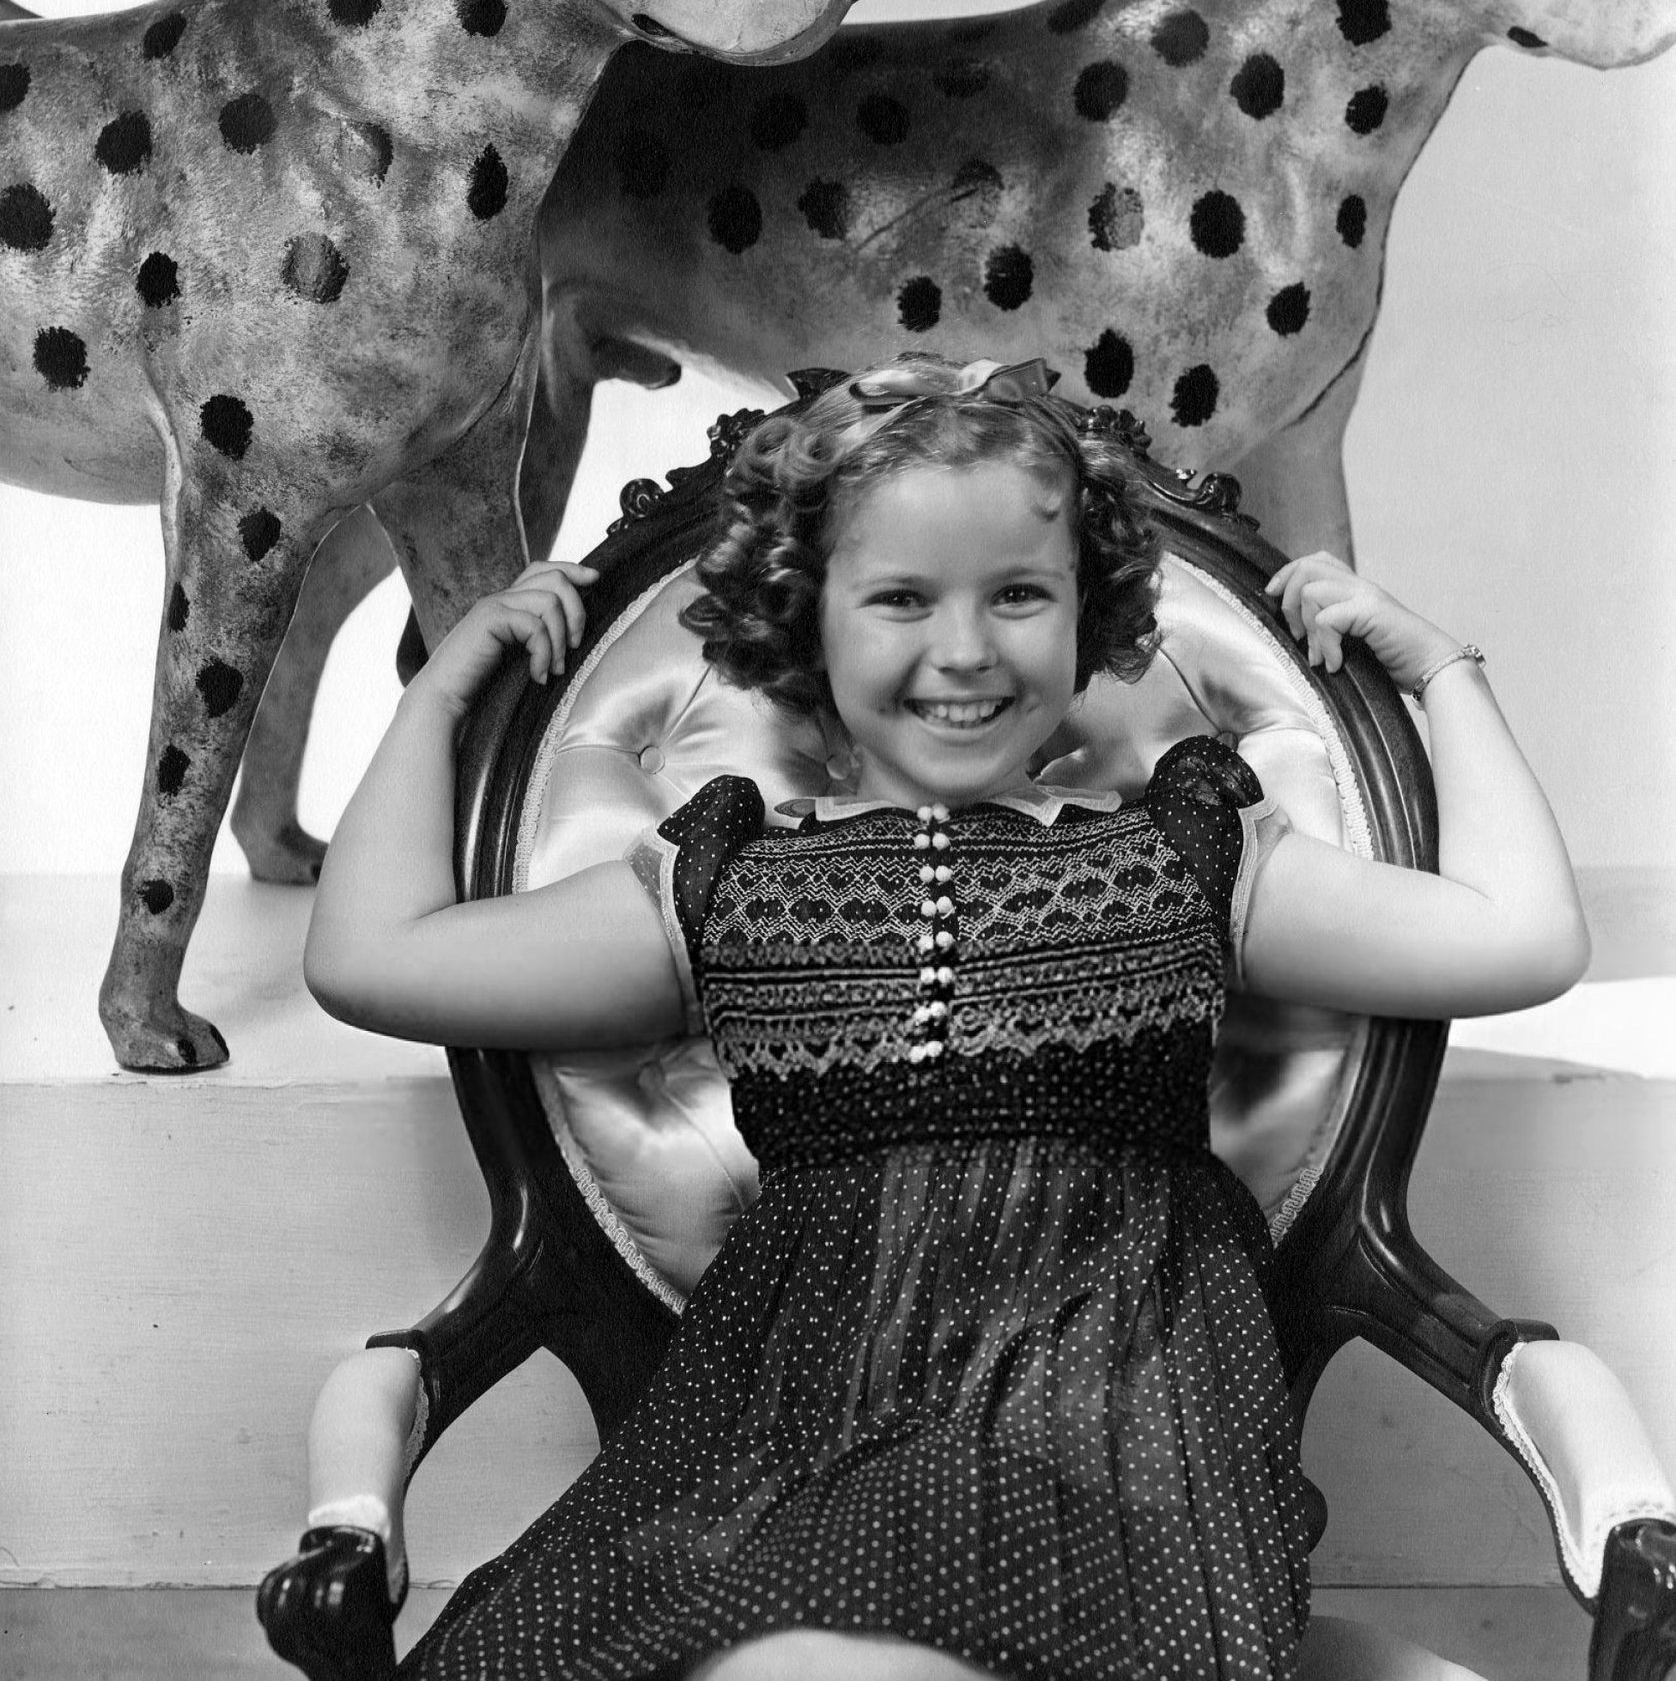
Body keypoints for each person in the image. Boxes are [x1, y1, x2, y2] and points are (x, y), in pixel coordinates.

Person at [283, 356, 1588, 1681]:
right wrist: (448, 688)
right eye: (901, 599)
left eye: (1019, 596)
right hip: (808, 1411)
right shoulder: (735, 880)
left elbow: (1522, 936)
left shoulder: (1185, 852)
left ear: (1088, 611)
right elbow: (374, 958)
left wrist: (1443, 674)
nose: (964, 651)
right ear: (808, 621)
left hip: (1110, 1401)